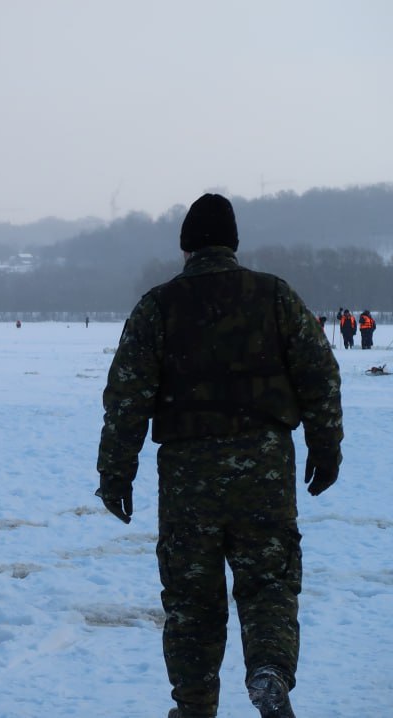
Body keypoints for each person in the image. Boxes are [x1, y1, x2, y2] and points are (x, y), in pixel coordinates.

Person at [96, 194, 342, 718]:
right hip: (265, 470)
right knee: (268, 583)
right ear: (233, 244)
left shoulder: (158, 306)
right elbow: (319, 375)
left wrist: (115, 472)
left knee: (191, 602)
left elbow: (127, 397)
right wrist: (326, 447)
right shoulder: (274, 295)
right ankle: (270, 673)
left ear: (186, 248)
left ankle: (194, 706)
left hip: (189, 477)